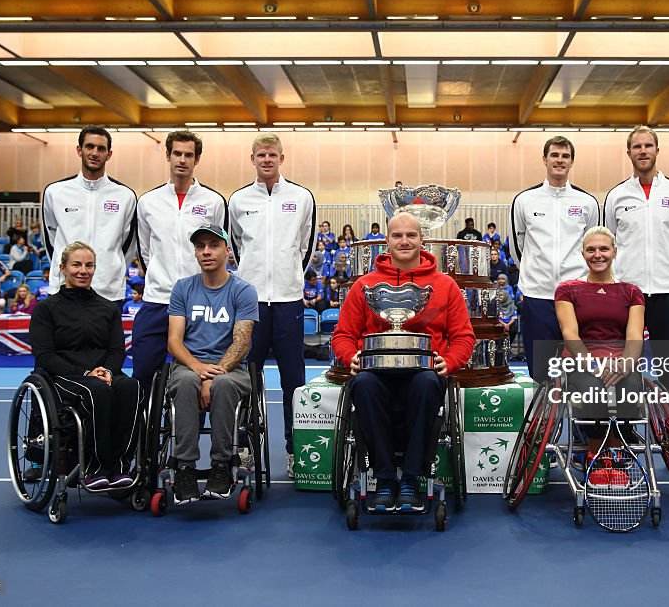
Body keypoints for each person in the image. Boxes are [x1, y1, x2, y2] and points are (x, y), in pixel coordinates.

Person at [332, 212, 475, 512]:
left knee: (425, 383)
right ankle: (385, 479)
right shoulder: (365, 286)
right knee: (365, 384)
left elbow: (463, 337)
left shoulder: (445, 285)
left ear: (422, 240)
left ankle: (410, 478)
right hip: (376, 375)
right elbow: (343, 335)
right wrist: (351, 357)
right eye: (397, 235)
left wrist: (449, 362)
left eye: (411, 235)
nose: (405, 241)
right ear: (387, 241)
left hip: (424, 374)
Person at [229, 133, 316, 477]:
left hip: (288, 300)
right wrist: (249, 282)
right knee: (245, 376)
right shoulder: (237, 200)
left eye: (272, 155)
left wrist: (289, 278)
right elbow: (236, 248)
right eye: (260, 155)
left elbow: (305, 248)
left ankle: (294, 450)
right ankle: (246, 447)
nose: (266, 160)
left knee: (293, 378)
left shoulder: (302, 197)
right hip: (250, 304)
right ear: (252, 159)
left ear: (282, 158)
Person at [30, 241, 140, 489]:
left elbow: (116, 350)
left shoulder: (107, 307)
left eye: (89, 265)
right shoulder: (46, 309)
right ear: (63, 268)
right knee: (96, 391)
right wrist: (86, 373)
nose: (83, 270)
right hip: (64, 377)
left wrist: (108, 371)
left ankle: (121, 466)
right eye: (76, 265)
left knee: (131, 387)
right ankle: (97, 467)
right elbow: (44, 355)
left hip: (103, 374)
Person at [166, 224, 258, 504]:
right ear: (195, 252)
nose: (206, 251)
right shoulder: (183, 288)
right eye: (200, 246)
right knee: (183, 381)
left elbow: (241, 342)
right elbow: (174, 340)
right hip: (188, 367)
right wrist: (197, 368)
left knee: (224, 384)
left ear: (227, 250)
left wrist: (213, 374)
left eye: (214, 245)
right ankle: (184, 467)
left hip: (231, 370)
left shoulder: (243, 291)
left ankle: (222, 465)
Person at [132, 129, 227, 399]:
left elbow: (219, 252)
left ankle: (188, 439)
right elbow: (145, 250)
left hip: (198, 305)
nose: (182, 160)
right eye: (177, 153)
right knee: (142, 377)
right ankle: (141, 440)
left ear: (197, 159)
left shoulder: (213, 201)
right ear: (168, 156)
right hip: (157, 301)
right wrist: (163, 281)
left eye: (188, 155)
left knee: (194, 382)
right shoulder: (148, 202)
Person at [604, 125, 669, 406]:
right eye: (637, 146)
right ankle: (625, 440)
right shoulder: (616, 196)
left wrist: (666, 270)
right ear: (628, 152)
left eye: (648, 145)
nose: (643, 150)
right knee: (625, 370)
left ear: (657, 150)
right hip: (628, 296)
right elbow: (610, 243)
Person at [510, 136, 599, 383]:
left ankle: (583, 421)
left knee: (583, 374)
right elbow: (519, 249)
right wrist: (536, 276)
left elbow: (592, 247)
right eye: (555, 155)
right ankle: (543, 422)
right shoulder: (524, 201)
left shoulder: (587, 203)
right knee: (541, 374)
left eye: (565, 156)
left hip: (577, 298)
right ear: (544, 159)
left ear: (571, 162)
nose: (560, 160)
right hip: (538, 298)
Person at [555, 227, 645, 465]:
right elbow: (570, 333)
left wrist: (625, 363)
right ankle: (595, 453)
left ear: (614, 252)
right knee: (594, 390)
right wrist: (593, 365)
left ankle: (614, 455)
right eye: (591, 250)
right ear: (583, 254)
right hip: (583, 363)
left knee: (630, 389)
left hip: (620, 363)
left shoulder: (632, 291)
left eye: (604, 249)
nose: (598, 255)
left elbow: (635, 335)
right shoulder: (567, 289)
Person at [42, 125, 138, 303]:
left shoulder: (125, 196)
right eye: (89, 147)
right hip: (64, 290)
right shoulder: (55, 192)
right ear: (79, 150)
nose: (95, 153)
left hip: (108, 293)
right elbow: (51, 240)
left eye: (101, 148)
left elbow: (127, 245)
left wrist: (110, 270)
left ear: (109, 154)